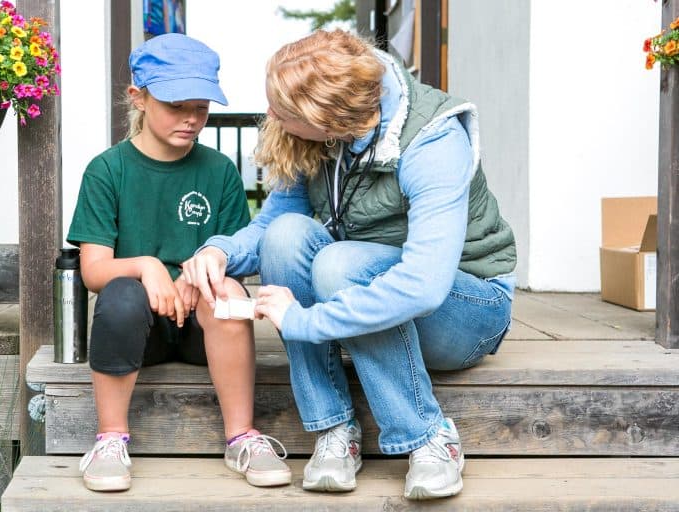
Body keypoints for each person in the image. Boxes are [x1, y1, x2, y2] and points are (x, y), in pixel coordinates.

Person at [183, 30, 516, 500]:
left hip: (467, 307)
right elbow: (274, 225)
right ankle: (335, 429)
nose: (271, 116)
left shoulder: (433, 140)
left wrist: (304, 320)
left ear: (328, 118)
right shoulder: (323, 138)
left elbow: (423, 287)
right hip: (365, 286)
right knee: (287, 236)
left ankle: (429, 438)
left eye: (282, 110)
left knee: (338, 264)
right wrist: (216, 251)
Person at [67, 33, 291, 492]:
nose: (191, 119)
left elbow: (234, 257)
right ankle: (110, 439)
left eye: (201, 107)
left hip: (201, 330)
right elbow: (93, 269)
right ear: (139, 98)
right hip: (136, 332)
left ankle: (242, 437)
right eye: (176, 105)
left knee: (227, 291)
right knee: (122, 292)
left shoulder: (219, 171)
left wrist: (203, 272)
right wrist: (147, 265)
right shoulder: (108, 170)